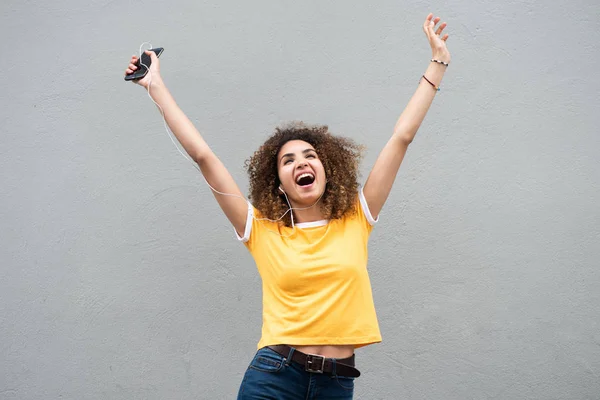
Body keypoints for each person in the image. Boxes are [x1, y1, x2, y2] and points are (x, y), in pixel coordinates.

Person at [124, 12, 450, 400]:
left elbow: (402, 137)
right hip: (273, 378)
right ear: (278, 183)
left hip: (337, 382)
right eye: (288, 160)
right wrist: (154, 86)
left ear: (327, 169)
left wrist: (438, 61)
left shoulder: (357, 219)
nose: (301, 163)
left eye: (309, 155)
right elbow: (204, 156)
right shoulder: (260, 229)